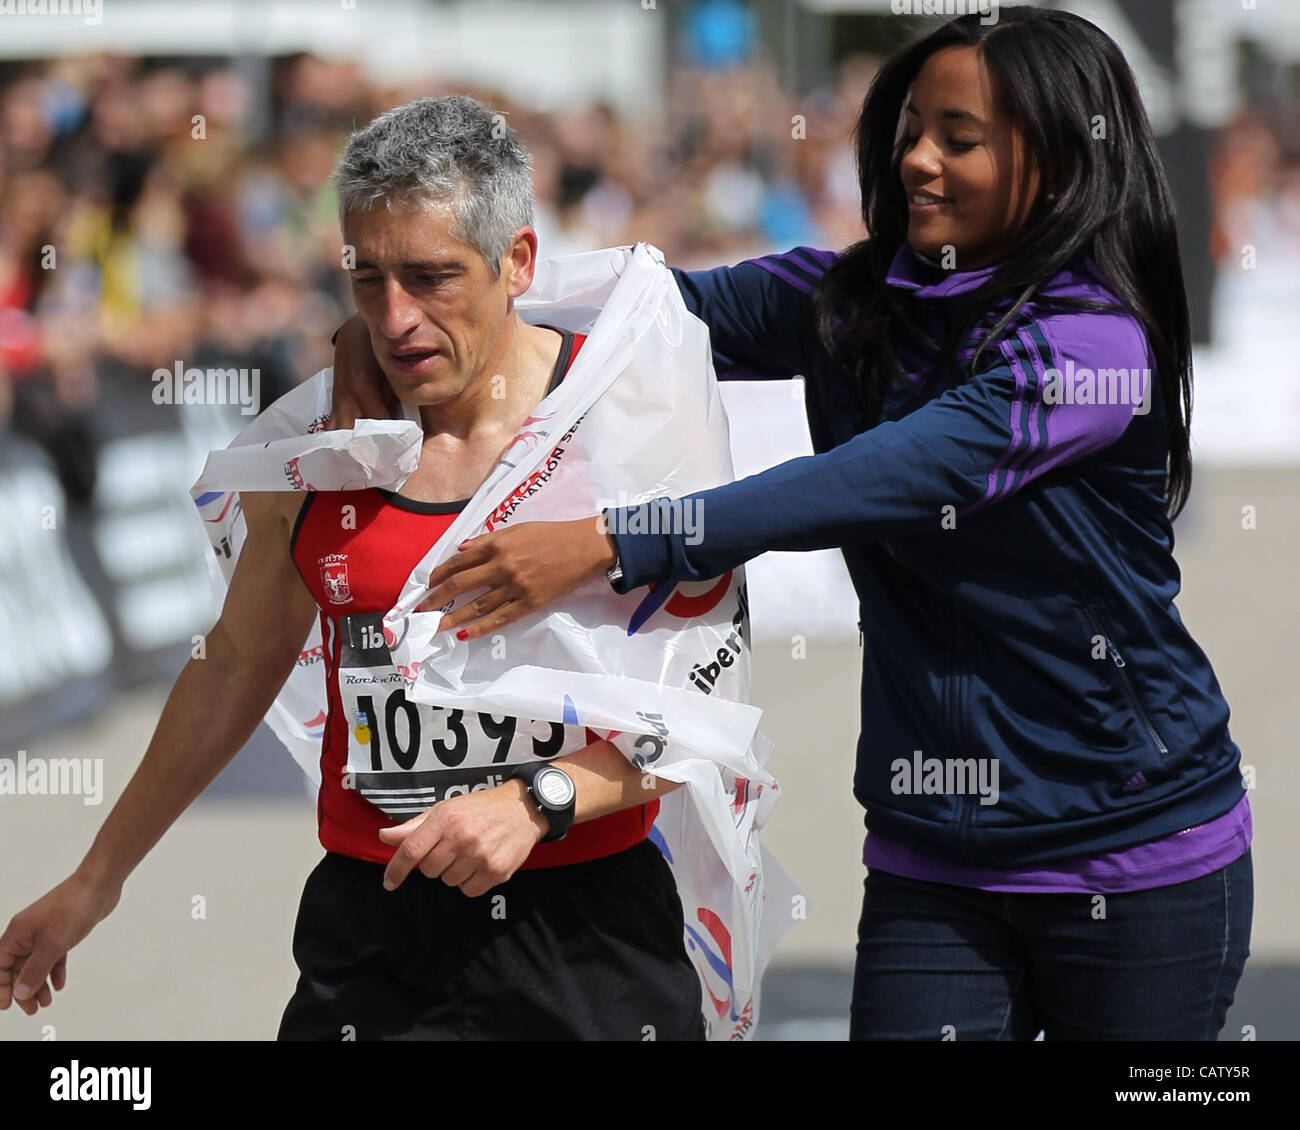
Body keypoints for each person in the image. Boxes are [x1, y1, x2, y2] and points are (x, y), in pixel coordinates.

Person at [329, 8, 1252, 1041]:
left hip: (1137, 857)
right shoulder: (844, 299)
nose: (916, 160)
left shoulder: (1098, 348)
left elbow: (880, 475)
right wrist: (415, 327)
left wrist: (612, 539)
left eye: (958, 137)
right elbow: (637, 323)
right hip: (929, 856)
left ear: (1060, 156)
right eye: (910, 130)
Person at [0, 95, 706, 1041]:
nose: (395, 319)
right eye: (365, 279)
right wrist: (96, 879)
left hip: (587, 936)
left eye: (431, 278)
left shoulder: (625, 423)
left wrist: (539, 801)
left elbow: (703, 715)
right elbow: (239, 662)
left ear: (520, 263)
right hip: (373, 938)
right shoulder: (317, 446)